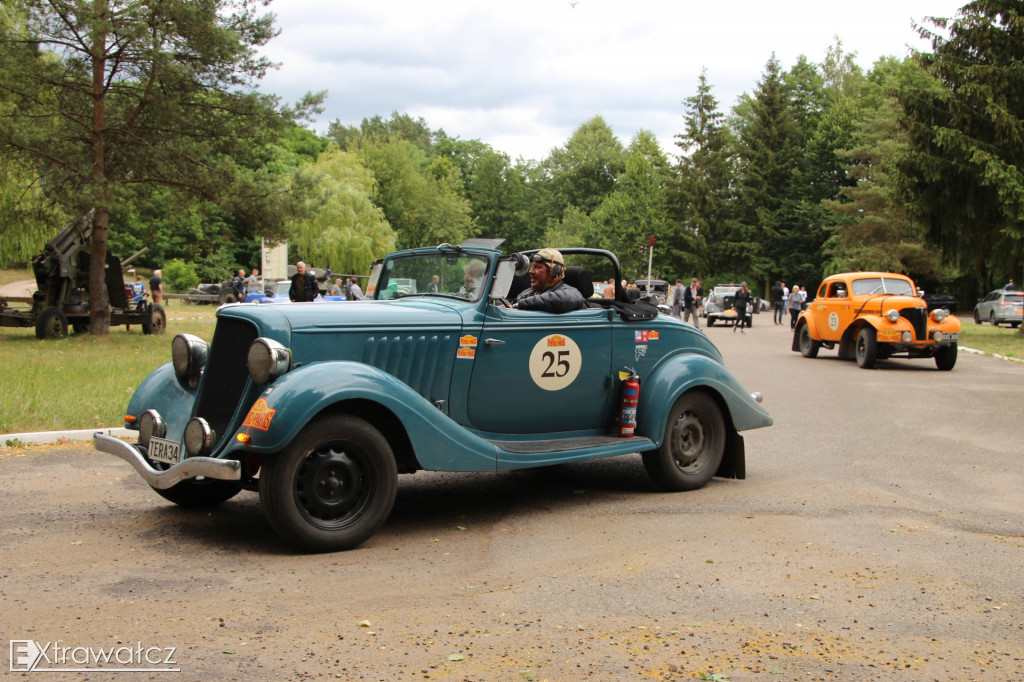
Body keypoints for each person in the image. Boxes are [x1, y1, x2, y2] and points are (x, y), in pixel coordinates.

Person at [514, 248, 587, 313]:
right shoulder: (526, 294)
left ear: (555, 271)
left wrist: (520, 304)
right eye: (532, 266)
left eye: (538, 267)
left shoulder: (572, 294)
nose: (531, 271)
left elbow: (559, 300)